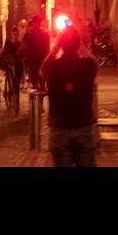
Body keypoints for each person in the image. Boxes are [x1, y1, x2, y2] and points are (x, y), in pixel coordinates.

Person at [41, 26, 97, 167]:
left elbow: (42, 70)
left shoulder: (52, 67)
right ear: (78, 44)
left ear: (61, 45)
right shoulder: (88, 65)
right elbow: (95, 62)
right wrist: (81, 45)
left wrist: (56, 45)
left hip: (60, 128)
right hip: (83, 126)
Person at [19, 15, 51, 91]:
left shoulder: (28, 35)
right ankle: (39, 101)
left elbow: (22, 48)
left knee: (35, 86)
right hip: (41, 63)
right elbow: (48, 50)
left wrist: (16, 55)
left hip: (33, 64)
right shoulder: (45, 35)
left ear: (34, 23)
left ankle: (36, 101)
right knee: (41, 85)